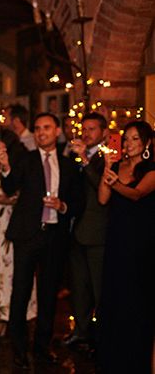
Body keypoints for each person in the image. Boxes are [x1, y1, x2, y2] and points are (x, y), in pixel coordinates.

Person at [0, 113, 82, 369]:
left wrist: (62, 205)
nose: (41, 132)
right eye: (37, 128)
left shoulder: (67, 165)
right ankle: (19, 350)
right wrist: (5, 166)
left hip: (54, 236)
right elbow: (10, 187)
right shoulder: (27, 159)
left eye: (46, 128)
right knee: (20, 293)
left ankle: (42, 347)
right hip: (27, 236)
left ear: (57, 131)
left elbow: (78, 201)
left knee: (48, 296)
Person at [97, 121, 154, 373]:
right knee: (114, 296)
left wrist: (116, 183)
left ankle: (135, 361)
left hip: (141, 243)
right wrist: (107, 171)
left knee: (136, 299)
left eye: (134, 139)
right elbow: (102, 199)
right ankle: (112, 358)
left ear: (147, 143)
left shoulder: (151, 169)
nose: (129, 144)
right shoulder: (117, 166)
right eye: (126, 139)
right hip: (117, 238)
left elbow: (137, 194)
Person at [0, 129, 36, 341]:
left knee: (9, 269)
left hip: (11, 222)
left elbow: (17, 196)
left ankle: (10, 318)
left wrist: (0, 199)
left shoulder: (20, 167)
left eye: (3, 148)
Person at [62, 113, 109, 349]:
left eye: (92, 129)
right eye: (84, 129)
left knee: (99, 287)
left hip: (98, 231)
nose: (86, 133)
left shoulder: (107, 157)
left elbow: (101, 187)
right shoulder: (76, 156)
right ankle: (80, 331)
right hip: (76, 229)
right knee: (78, 287)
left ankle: (102, 337)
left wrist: (84, 159)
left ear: (103, 132)